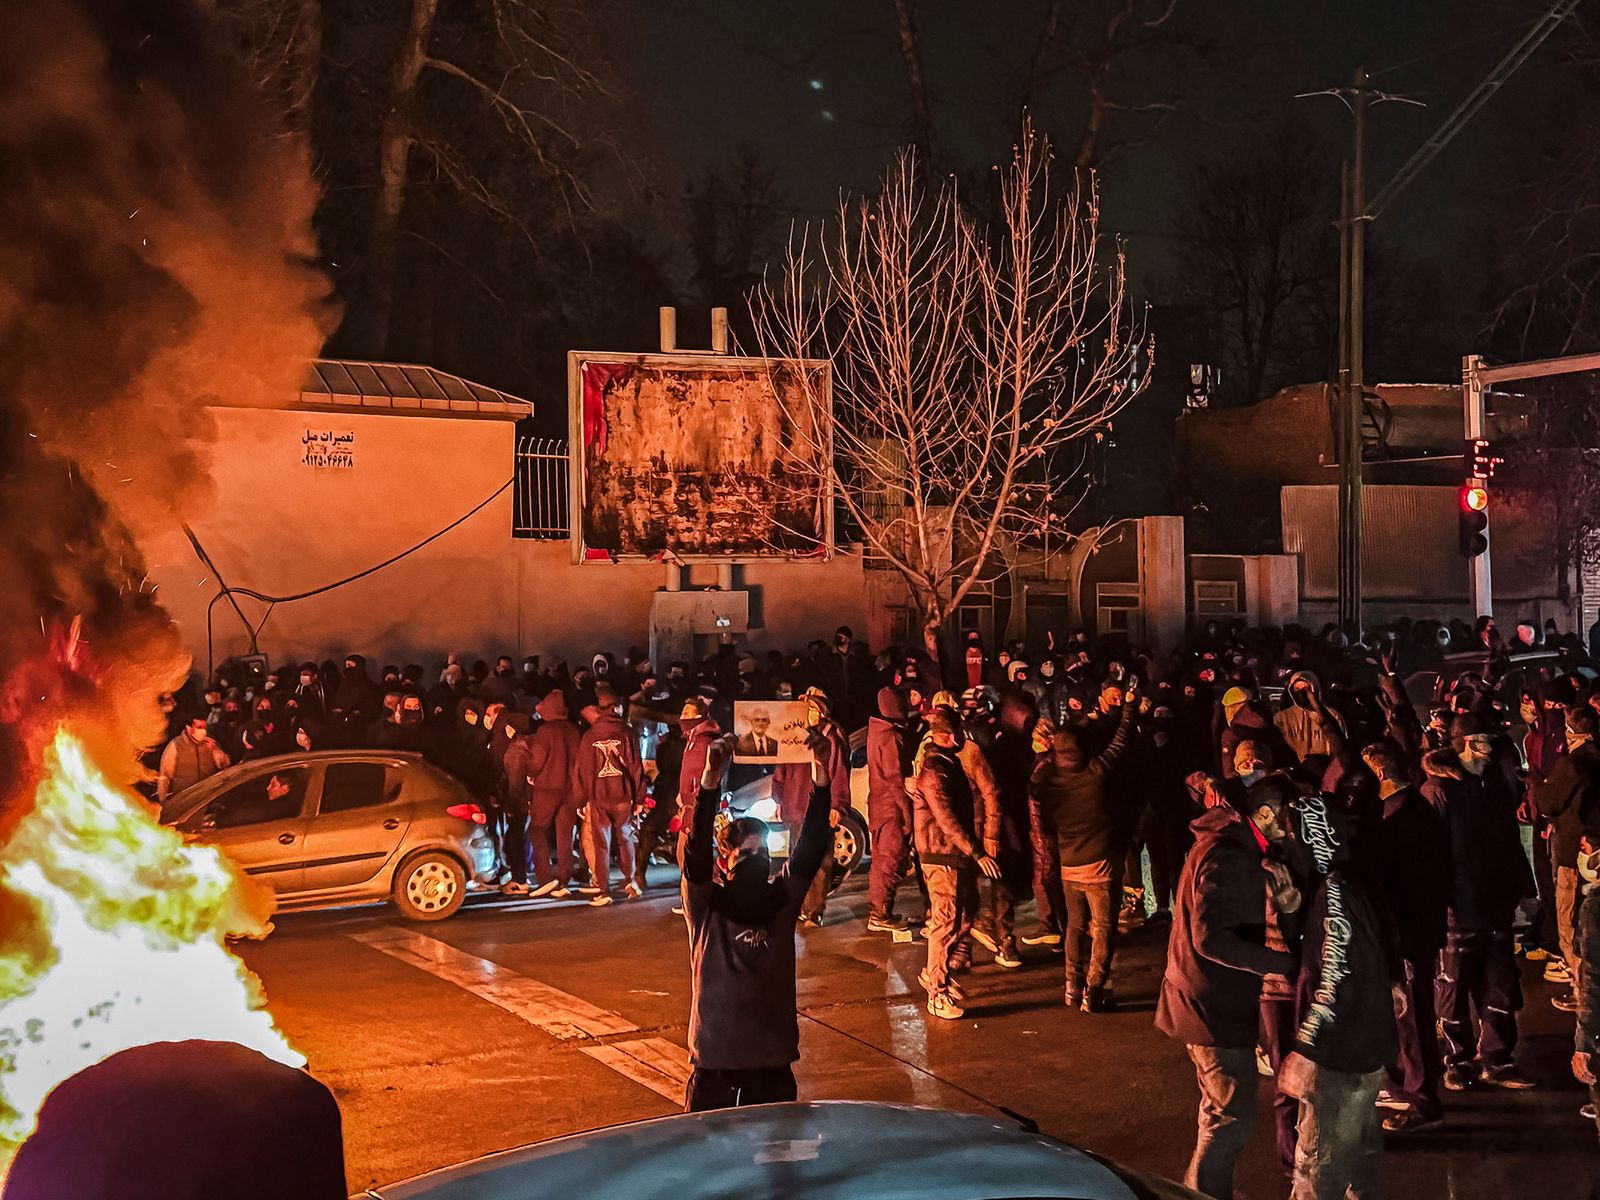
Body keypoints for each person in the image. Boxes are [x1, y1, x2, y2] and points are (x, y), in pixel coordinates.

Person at [1157, 776, 1303, 1200]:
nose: (1295, 825)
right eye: (1290, 814)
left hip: (1202, 999)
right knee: (1230, 1116)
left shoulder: (1228, 844)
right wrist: (1283, 965)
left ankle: (1200, 1191)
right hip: (1211, 1005)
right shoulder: (1232, 855)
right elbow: (1211, 939)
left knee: (1219, 1111)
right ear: (1266, 813)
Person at [680, 734, 831, 1111]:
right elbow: (695, 854)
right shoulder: (706, 906)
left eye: (762, 851)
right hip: (715, 1063)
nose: (756, 858)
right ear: (724, 862)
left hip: (771, 1062)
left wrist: (821, 774)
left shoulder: (781, 901)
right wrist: (710, 781)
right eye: (746, 852)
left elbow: (811, 846)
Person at [1277, 777, 1401, 1200]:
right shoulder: (1349, 883)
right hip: (1363, 1048)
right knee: (1360, 1163)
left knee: (1319, 1170)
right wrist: (1292, 913)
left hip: (1339, 1057)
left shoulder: (1334, 894)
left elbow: (1334, 974)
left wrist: (1306, 1048)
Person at [1423, 714, 1536, 1090]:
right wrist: (1440, 902)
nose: (1491, 748)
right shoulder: (1439, 790)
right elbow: (1431, 852)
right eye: (1484, 739)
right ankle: (1457, 1059)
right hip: (1459, 907)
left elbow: (1509, 841)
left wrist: (1525, 890)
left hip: (1496, 903)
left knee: (1500, 984)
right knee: (1453, 987)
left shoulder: (1495, 786)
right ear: (1466, 743)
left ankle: (1498, 1058)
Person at [1030, 677, 1137, 1010]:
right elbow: (1120, 743)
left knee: (1075, 926)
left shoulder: (1050, 783)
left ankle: (1071, 986)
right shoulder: (1094, 773)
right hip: (1100, 865)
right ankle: (1094, 988)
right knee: (1103, 927)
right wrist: (1129, 709)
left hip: (1069, 865)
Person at [1362, 739, 1450, 1133]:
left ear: (1380, 771)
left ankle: (1422, 1099)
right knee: (1408, 1016)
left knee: (1412, 1017)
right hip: (1414, 934)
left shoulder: (1402, 818)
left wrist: (1403, 944)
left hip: (1409, 938)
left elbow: (1411, 887)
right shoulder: (1414, 810)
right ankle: (1408, 1086)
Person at [913, 708, 1001, 1020]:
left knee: (960, 919)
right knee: (946, 922)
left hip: (951, 854)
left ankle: (937, 975)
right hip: (942, 856)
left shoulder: (944, 763)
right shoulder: (936, 770)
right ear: (949, 735)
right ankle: (936, 993)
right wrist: (977, 853)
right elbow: (947, 820)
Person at [1535, 704, 1600, 1012]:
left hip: (1573, 857)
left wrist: (1537, 786)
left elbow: (1548, 804)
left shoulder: (1572, 765)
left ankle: (1582, 994)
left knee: (1571, 926)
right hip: (1594, 855)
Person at [770, 689, 851, 926]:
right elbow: (781, 769)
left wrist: (838, 805)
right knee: (796, 859)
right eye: (806, 708)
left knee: (820, 861)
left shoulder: (831, 738)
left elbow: (840, 772)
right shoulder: (793, 736)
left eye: (813, 709)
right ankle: (797, 905)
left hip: (819, 808)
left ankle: (814, 910)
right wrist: (779, 799)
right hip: (795, 806)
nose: (808, 713)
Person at [572, 700, 645, 906]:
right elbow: (635, 766)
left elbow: (582, 769)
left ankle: (603, 890)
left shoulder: (589, 736)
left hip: (599, 796)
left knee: (601, 843)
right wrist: (639, 797)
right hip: (622, 795)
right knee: (626, 837)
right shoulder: (627, 733)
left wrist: (581, 799)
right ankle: (630, 882)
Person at [865, 685, 916, 932]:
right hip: (890, 807)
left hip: (878, 805)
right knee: (890, 859)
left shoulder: (876, 732)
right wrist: (907, 814)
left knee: (881, 859)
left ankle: (880, 909)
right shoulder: (891, 737)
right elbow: (896, 779)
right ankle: (880, 913)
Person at [156, 715, 230, 809]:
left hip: (207, 801)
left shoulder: (210, 743)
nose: (203, 731)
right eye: (199, 727)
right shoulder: (176, 746)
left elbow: (225, 765)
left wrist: (215, 750)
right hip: (183, 803)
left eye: (204, 727)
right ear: (189, 729)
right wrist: (163, 802)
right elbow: (164, 776)